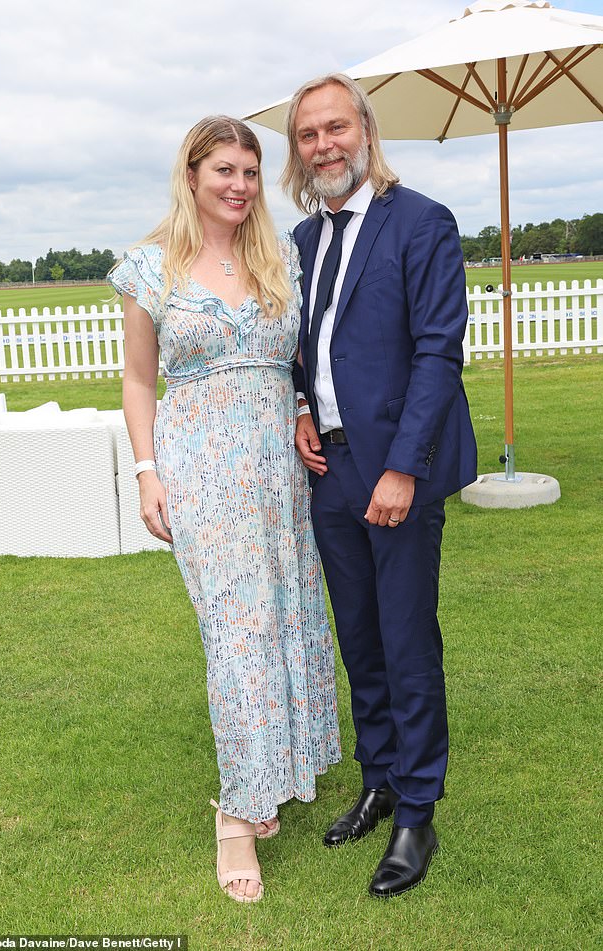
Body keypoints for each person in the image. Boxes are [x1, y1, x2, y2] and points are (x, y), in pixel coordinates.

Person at [108, 115, 340, 904]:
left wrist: (304, 406)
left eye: (250, 171)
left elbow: (301, 358)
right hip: (202, 467)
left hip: (279, 468)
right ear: (193, 174)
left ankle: (271, 772)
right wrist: (147, 472)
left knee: (284, 619)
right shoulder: (151, 267)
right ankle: (237, 813)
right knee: (235, 631)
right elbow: (140, 380)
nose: (239, 185)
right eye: (224, 171)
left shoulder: (279, 257)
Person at [280, 74, 477, 897]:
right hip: (328, 465)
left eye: (335, 127)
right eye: (307, 135)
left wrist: (402, 465)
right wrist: (298, 404)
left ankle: (417, 809)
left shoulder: (422, 222)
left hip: (396, 465)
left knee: (405, 638)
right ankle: (381, 776)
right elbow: (305, 347)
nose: (324, 145)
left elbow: (438, 351)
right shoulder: (298, 239)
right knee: (357, 636)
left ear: (364, 129)